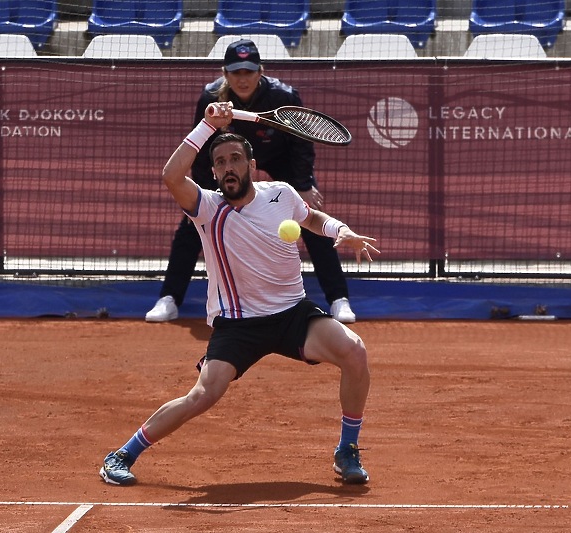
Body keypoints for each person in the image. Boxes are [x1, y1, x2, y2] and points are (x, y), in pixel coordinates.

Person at [100, 103, 379, 487]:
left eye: (235, 159)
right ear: (213, 172)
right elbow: (170, 175)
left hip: (292, 315)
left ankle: (347, 450)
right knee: (203, 395)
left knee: (355, 351)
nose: (228, 166)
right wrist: (206, 126)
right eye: (220, 162)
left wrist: (340, 230)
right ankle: (122, 454)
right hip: (239, 326)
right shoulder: (207, 208)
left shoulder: (280, 193)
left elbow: (310, 218)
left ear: (250, 164)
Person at [146, 38, 357, 324]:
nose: (242, 79)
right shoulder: (210, 99)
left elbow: (301, 145)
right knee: (192, 224)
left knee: (305, 217)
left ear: (260, 72)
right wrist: (201, 197)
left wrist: (304, 185)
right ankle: (169, 298)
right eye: (236, 73)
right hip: (230, 159)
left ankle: (338, 299)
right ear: (225, 74)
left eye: (248, 72)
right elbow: (201, 154)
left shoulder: (284, 96)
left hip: (279, 157)